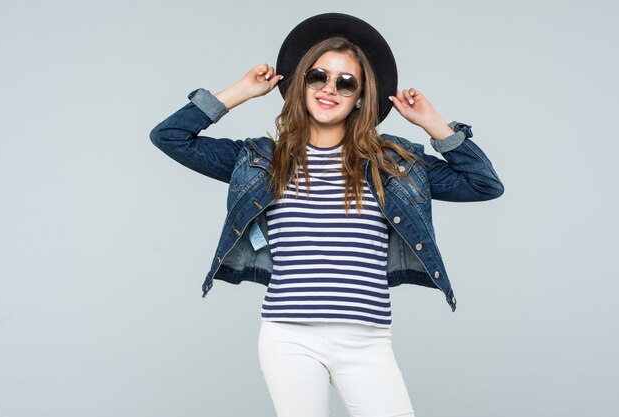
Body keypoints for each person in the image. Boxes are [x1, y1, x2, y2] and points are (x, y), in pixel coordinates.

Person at [150, 12, 504, 417]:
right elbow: (169, 137)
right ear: (301, 83)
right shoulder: (261, 160)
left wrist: (433, 124)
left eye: (346, 82)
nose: (329, 89)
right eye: (318, 76)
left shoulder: (391, 163)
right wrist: (241, 91)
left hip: (367, 340)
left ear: (360, 96)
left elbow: (485, 185)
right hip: (288, 338)